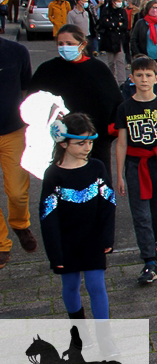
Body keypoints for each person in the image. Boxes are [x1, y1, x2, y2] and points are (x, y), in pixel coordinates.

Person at [40, 113, 115, 320]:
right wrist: (54, 252)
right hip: (66, 241)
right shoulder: (53, 174)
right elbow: (48, 216)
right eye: (80, 143)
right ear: (63, 143)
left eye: (90, 141)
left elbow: (108, 203)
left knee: (96, 286)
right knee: (71, 285)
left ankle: (105, 338)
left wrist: (107, 236)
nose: (87, 147)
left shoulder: (97, 167)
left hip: (93, 238)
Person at [115, 56, 157, 284]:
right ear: (131, 78)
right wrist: (120, 175)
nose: (144, 79)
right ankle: (149, 262)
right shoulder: (125, 107)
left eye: (148, 75)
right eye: (139, 75)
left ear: (156, 78)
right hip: (135, 165)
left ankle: (156, 242)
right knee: (140, 215)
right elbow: (121, 143)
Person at [28, 25, 123, 173]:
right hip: (61, 140)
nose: (64, 47)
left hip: (95, 141)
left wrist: (110, 130)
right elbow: (33, 102)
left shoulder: (98, 69)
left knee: (98, 183)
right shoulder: (47, 70)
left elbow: (115, 102)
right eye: (61, 44)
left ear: (82, 44)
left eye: (69, 44)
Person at [0, 33, 35, 269]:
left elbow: (26, 89)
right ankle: (1, 244)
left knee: (17, 192)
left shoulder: (16, 52)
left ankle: (20, 224)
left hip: (13, 131)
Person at [97, 0, 130, 82]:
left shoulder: (122, 11)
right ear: (113, 2)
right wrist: (116, 24)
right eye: (118, 1)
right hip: (108, 39)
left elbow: (125, 25)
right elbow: (104, 23)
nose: (120, 2)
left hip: (119, 39)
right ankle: (111, 79)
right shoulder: (106, 10)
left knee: (120, 61)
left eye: (121, 1)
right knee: (111, 61)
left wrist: (114, 25)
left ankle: (122, 81)